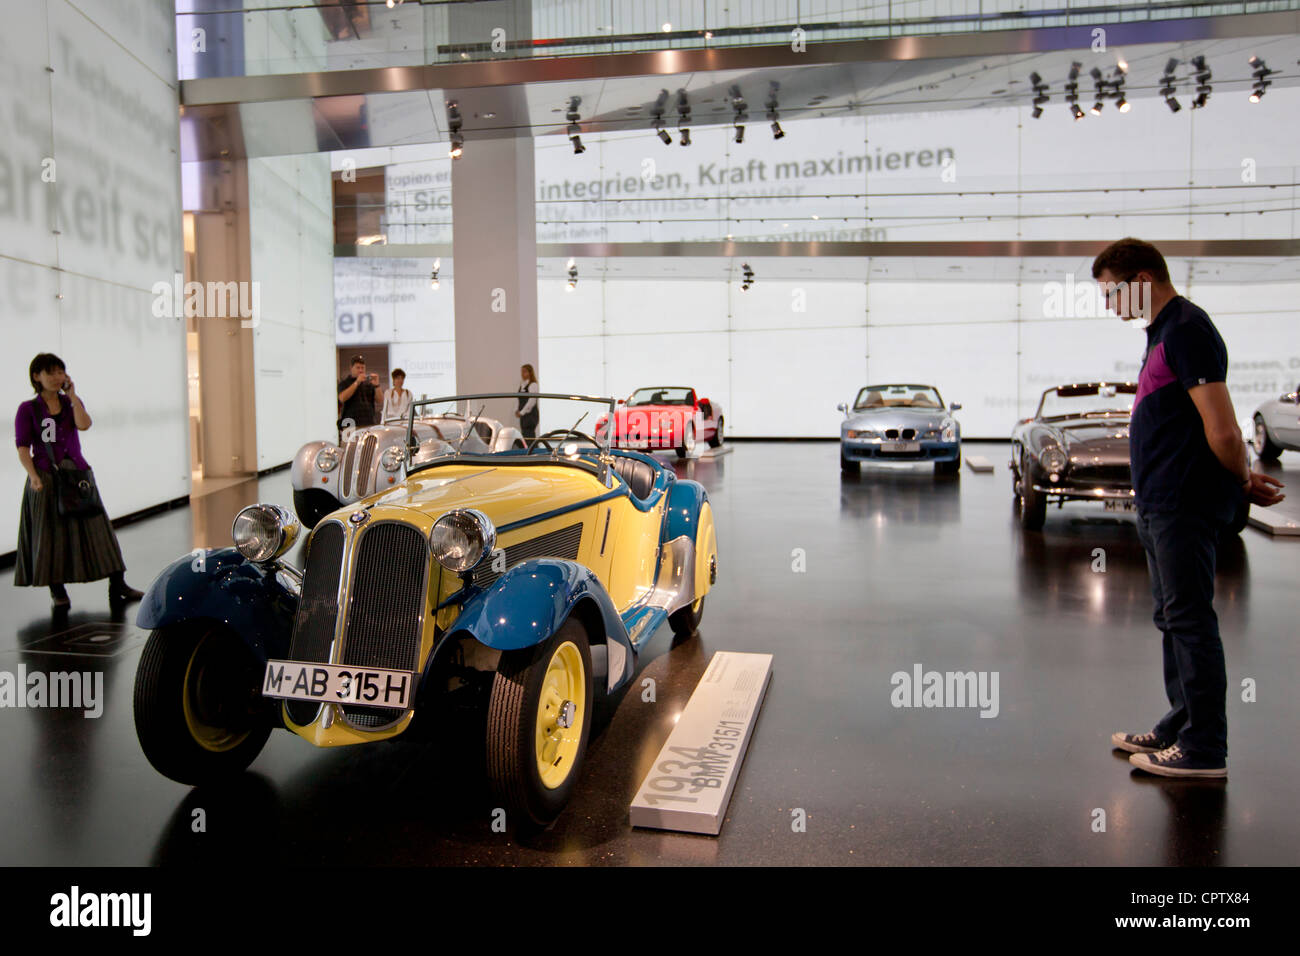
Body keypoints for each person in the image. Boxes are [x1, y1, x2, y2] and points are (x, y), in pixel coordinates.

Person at [1095, 238, 1284, 779]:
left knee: (1190, 621)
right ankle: (1181, 724)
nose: (1110, 305)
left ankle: (1204, 749)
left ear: (1142, 281)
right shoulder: (1161, 333)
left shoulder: (1187, 329)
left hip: (1183, 504)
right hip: (1161, 503)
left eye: (1112, 292)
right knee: (1171, 618)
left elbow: (1222, 428)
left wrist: (1243, 479)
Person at [13, 353, 144, 609]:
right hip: (47, 478)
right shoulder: (28, 409)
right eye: (50, 373)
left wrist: (73, 396)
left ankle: (118, 583)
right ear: (36, 376)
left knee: (98, 528)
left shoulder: (71, 403)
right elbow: (22, 448)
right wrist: (34, 477)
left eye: (60, 372)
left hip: (78, 475)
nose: (56, 377)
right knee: (50, 536)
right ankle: (57, 590)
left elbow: (84, 425)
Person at [337, 355, 380, 434]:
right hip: (350, 424)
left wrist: (377, 385)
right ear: (351, 368)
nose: (361, 370)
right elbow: (342, 398)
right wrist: (357, 382)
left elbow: (380, 400)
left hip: (368, 423)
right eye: (358, 368)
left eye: (362, 368)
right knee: (349, 445)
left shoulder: (368, 383)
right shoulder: (345, 383)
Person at [516, 363, 539, 439]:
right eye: (521, 372)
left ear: (530, 373)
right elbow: (519, 400)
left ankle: (531, 450)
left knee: (529, 436)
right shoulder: (522, 385)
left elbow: (532, 401)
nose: (522, 374)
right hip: (524, 416)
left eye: (525, 371)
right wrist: (517, 410)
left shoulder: (533, 385)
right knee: (525, 435)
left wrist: (522, 412)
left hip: (530, 415)